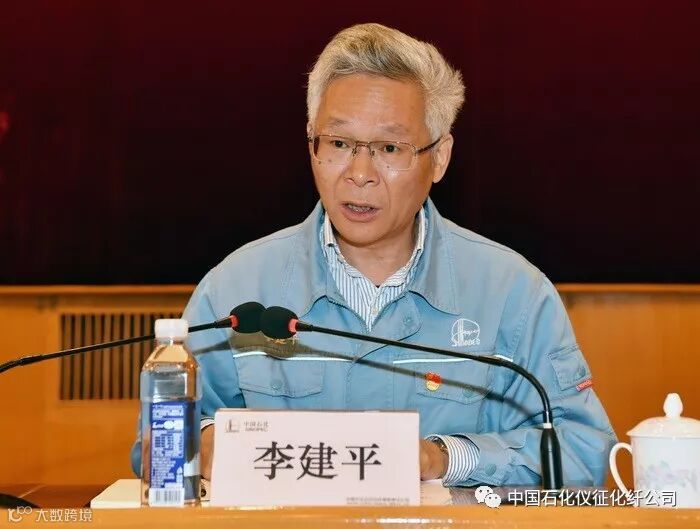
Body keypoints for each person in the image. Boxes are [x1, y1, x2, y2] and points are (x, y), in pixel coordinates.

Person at [132, 23, 616, 486]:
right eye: (339, 143)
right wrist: (209, 444)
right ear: (311, 144)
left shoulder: (512, 293)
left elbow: (582, 451)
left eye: (389, 148)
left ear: (439, 157)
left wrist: (445, 458)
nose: (359, 173)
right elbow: (157, 446)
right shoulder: (237, 291)